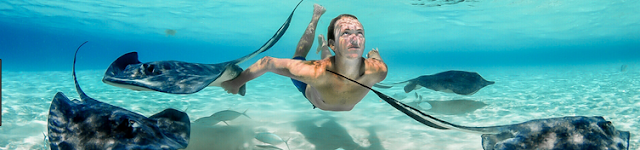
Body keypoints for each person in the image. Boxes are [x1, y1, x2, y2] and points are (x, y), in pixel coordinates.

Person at [222, 4, 387, 111]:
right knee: (299, 56)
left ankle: (322, 45)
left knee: (328, 58)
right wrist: (236, 83)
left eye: (360, 33)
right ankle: (316, 17)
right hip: (309, 89)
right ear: (334, 44)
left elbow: (378, 61)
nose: (355, 39)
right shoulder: (314, 72)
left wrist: (374, 54)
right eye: (346, 33)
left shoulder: (378, 71)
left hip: (328, 66)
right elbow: (268, 62)